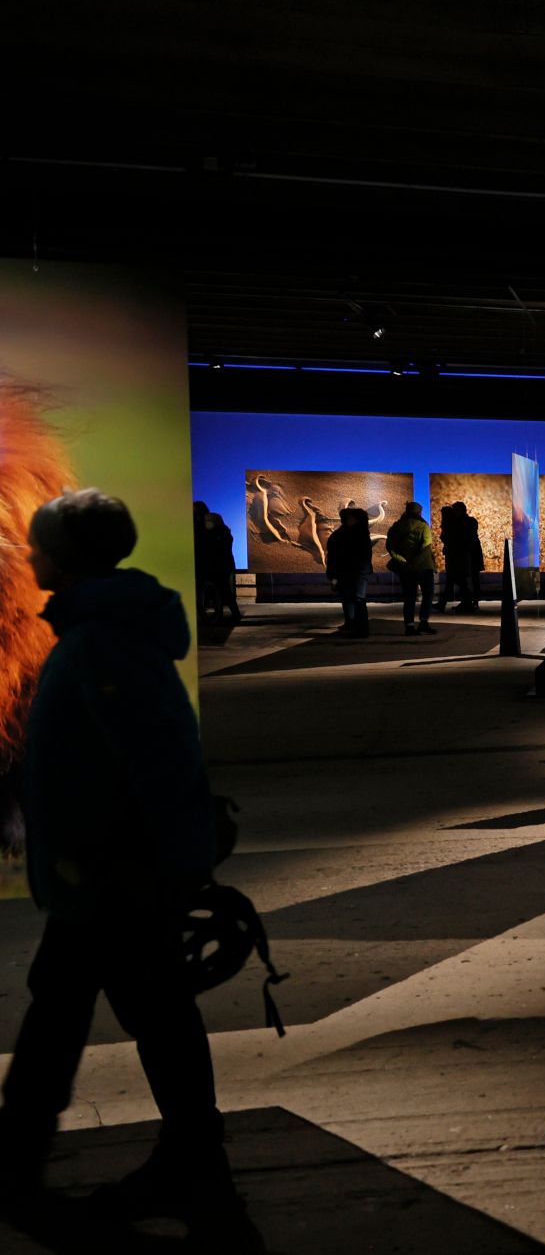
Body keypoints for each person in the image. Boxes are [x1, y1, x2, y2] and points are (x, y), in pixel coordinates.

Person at [0, 490, 262, 1250]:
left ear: (67, 557)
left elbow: (155, 758)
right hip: (105, 872)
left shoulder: (100, 643)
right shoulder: (96, 634)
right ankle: (188, 1162)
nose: (27, 554)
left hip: (116, 876)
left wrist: (166, 865)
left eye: (36, 544)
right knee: (120, 1009)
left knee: (105, 1010)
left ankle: (27, 1160)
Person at [384, 501, 439, 636]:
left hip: (405, 569)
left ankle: (409, 626)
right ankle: (423, 622)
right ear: (419, 512)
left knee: (409, 597)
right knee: (428, 594)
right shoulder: (423, 526)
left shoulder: (397, 526)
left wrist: (402, 561)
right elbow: (426, 547)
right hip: (424, 567)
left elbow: (390, 547)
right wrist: (416, 563)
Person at [325, 506, 373, 637]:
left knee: (355, 598)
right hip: (355, 570)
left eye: (349, 518)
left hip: (352, 570)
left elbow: (335, 554)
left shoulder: (346, 534)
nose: (345, 519)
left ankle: (359, 628)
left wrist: (333, 573)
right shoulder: (359, 533)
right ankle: (355, 626)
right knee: (354, 598)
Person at [191, 501, 241, 625]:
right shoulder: (212, 529)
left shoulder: (218, 531)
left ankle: (230, 614)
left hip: (218, 565)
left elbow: (219, 548)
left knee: (222, 589)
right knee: (219, 590)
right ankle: (219, 615)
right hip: (211, 564)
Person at [438, 501, 482, 614]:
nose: (454, 512)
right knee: (461, 579)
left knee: (466, 579)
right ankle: (467, 603)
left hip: (467, 554)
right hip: (465, 554)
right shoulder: (464, 521)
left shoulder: (465, 522)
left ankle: (470, 603)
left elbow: (462, 538)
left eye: (455, 509)